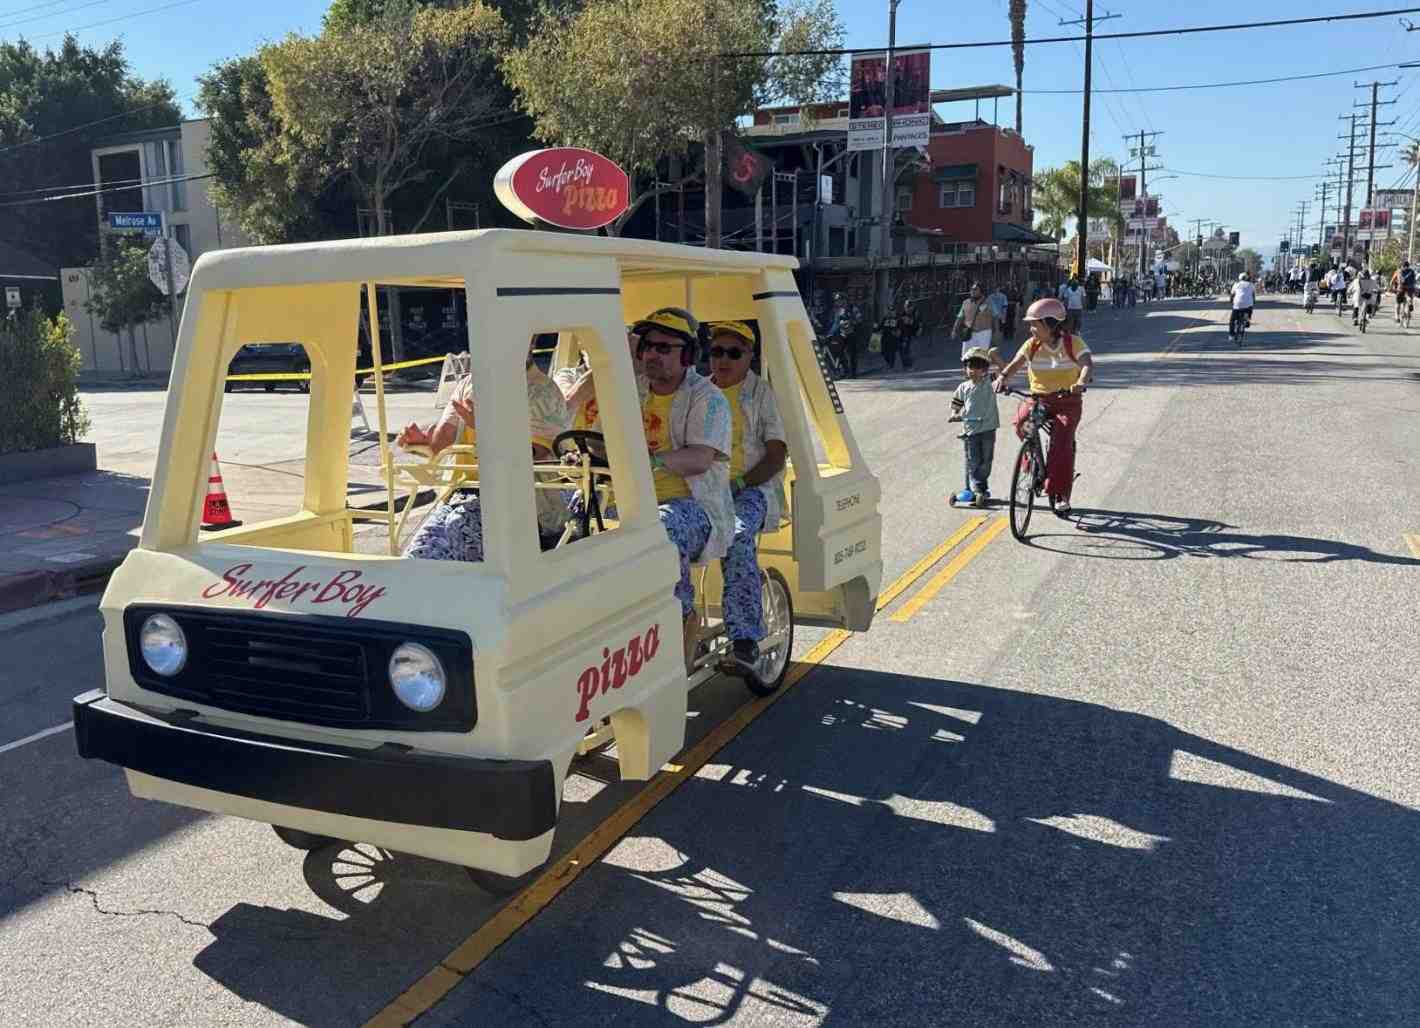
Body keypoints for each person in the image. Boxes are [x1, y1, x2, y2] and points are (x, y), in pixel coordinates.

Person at [632, 307, 735, 672]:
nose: (651, 355)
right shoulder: (630, 391)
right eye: (646, 346)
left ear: (687, 355)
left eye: (663, 347)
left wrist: (652, 462)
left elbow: (700, 458)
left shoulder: (707, 399)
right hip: (629, 504)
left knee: (660, 531)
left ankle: (682, 619)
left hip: (694, 508)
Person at [401, 342, 572, 562]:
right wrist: (420, 443)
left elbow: (532, 454)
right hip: (463, 494)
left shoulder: (543, 392)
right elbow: (439, 446)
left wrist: (487, 428)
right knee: (417, 556)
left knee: (457, 530)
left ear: (530, 342)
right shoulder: (469, 384)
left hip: (521, 502)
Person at [706, 321, 788, 674]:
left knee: (736, 536)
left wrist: (737, 484)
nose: (723, 360)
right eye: (716, 352)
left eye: (733, 353)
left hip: (750, 491)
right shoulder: (698, 392)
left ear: (749, 357)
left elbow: (775, 455)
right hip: (701, 490)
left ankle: (745, 641)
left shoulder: (761, 394)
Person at [994, 297, 1095, 519]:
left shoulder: (1073, 343)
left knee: (1061, 443)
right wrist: (1002, 377)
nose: (1031, 329)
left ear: (1050, 324)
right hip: (1039, 399)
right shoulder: (1032, 345)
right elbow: (1015, 364)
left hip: (1067, 401)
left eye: (1035, 324)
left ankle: (1060, 494)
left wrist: (1080, 383)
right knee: (1022, 423)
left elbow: (1087, 364)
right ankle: (1032, 459)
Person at [947, 346, 999, 509]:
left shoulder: (989, 382)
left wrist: (995, 357)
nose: (973, 371)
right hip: (970, 429)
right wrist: (955, 413)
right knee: (972, 460)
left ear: (984, 369)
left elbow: (1005, 372)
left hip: (988, 428)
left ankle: (979, 488)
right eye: (970, 367)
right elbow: (957, 403)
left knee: (986, 461)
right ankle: (975, 489)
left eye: (977, 367)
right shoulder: (964, 387)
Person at [954, 282, 999, 363]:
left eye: (975, 289)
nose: (972, 291)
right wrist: (954, 330)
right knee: (965, 355)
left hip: (984, 333)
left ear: (981, 291)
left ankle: (982, 373)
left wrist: (996, 332)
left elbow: (995, 317)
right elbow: (960, 317)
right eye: (971, 289)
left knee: (982, 356)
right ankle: (967, 373)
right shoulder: (966, 302)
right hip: (969, 333)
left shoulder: (989, 302)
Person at [1229, 272, 1255, 341]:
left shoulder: (1236, 284)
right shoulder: (1251, 284)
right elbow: (1253, 296)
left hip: (1237, 305)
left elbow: (1232, 295)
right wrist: (1252, 304)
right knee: (1250, 309)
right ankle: (1247, 320)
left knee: (1232, 320)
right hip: (1248, 306)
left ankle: (1231, 335)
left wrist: (1231, 301)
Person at [898, 300, 920, 369]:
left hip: (911, 334)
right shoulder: (902, 313)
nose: (908, 309)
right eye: (907, 307)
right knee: (902, 349)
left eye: (910, 307)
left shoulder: (915, 313)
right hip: (902, 334)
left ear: (912, 307)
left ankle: (909, 364)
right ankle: (905, 365)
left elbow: (918, 323)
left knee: (908, 349)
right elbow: (898, 323)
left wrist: (919, 329)